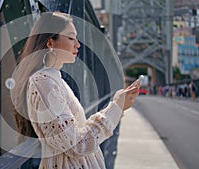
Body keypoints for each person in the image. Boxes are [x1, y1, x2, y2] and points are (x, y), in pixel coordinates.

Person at [11, 12, 140, 169]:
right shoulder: (43, 82)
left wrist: (118, 105)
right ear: (50, 42)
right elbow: (76, 145)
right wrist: (115, 108)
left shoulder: (55, 80)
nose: (77, 44)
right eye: (71, 38)